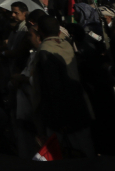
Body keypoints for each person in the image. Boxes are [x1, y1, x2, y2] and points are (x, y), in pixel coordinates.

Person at [27, 15, 95, 157]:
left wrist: (60, 120)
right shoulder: (66, 44)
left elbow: (53, 88)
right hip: (80, 108)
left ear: (40, 32)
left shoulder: (45, 52)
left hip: (62, 117)